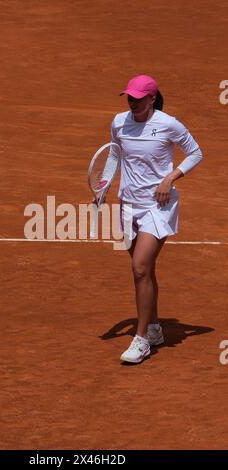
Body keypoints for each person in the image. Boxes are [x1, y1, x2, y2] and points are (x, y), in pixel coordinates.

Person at [109, 74, 203, 364]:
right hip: (127, 205)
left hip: (157, 206)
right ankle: (153, 328)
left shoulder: (168, 124)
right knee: (143, 271)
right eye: (130, 98)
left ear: (152, 98)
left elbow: (195, 153)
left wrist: (170, 178)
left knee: (140, 267)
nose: (133, 103)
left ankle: (142, 341)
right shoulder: (118, 122)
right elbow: (114, 154)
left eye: (139, 98)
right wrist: (103, 187)